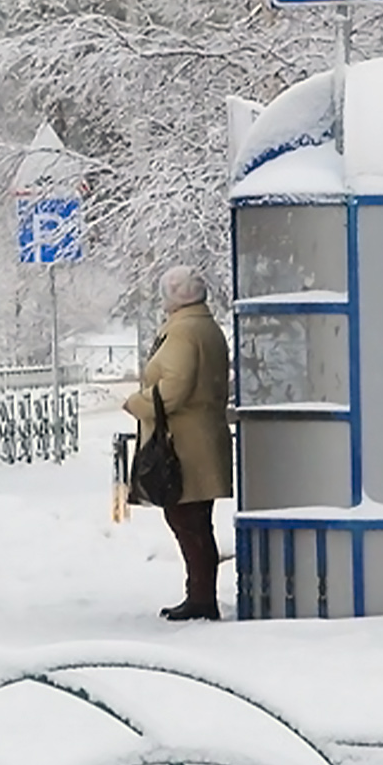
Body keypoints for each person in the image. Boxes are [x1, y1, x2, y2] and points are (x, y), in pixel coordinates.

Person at [125, 264, 233, 621]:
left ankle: (201, 598)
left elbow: (174, 386)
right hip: (201, 436)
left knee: (186, 518)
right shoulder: (203, 326)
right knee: (195, 520)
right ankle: (200, 594)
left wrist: (137, 404)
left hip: (185, 441)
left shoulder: (184, 332)